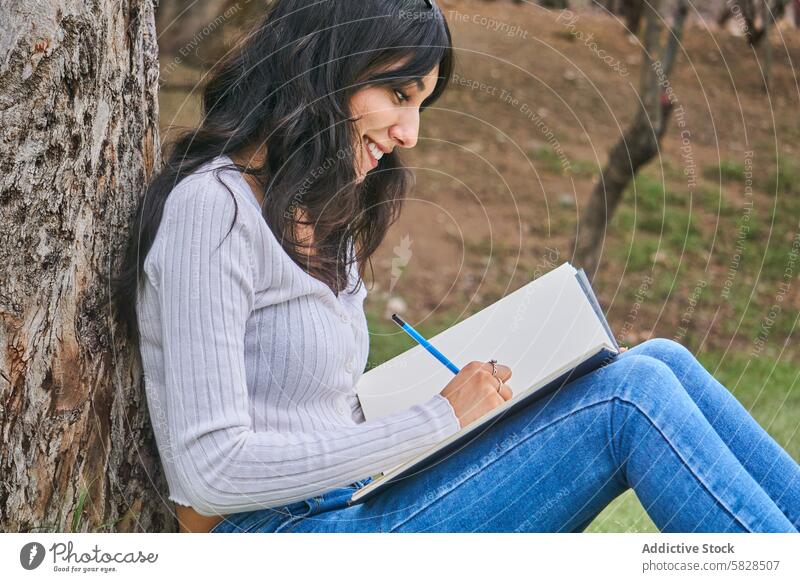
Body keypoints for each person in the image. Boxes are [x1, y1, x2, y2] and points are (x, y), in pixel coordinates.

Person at [115, 0, 800, 533]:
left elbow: (311, 412)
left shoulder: (316, 208)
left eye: (420, 103)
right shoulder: (211, 208)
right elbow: (209, 473)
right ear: (326, 69)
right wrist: (438, 419)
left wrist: (466, 404)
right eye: (399, 95)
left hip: (351, 502)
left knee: (660, 360)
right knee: (632, 398)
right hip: (283, 536)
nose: (410, 133)